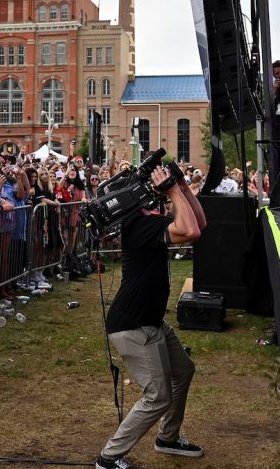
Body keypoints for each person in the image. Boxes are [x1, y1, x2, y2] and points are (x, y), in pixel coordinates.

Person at [95, 165, 207, 469]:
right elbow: (192, 231)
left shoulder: (149, 220)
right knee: (157, 396)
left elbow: (200, 223)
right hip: (133, 325)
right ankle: (108, 457)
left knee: (182, 370)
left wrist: (182, 187)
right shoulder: (138, 225)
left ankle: (167, 438)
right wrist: (172, 190)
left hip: (151, 321)